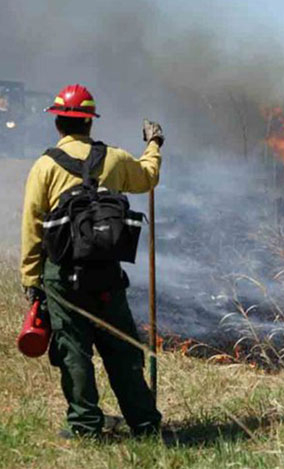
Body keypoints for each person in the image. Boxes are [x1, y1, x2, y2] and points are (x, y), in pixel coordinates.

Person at [20, 84, 164, 439]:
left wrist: (30, 276)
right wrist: (154, 145)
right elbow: (148, 177)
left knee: (73, 349)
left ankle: (85, 426)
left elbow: (32, 224)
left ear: (58, 124)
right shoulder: (113, 158)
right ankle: (145, 424)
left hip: (61, 274)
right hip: (107, 274)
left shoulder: (45, 166)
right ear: (89, 122)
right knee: (122, 349)